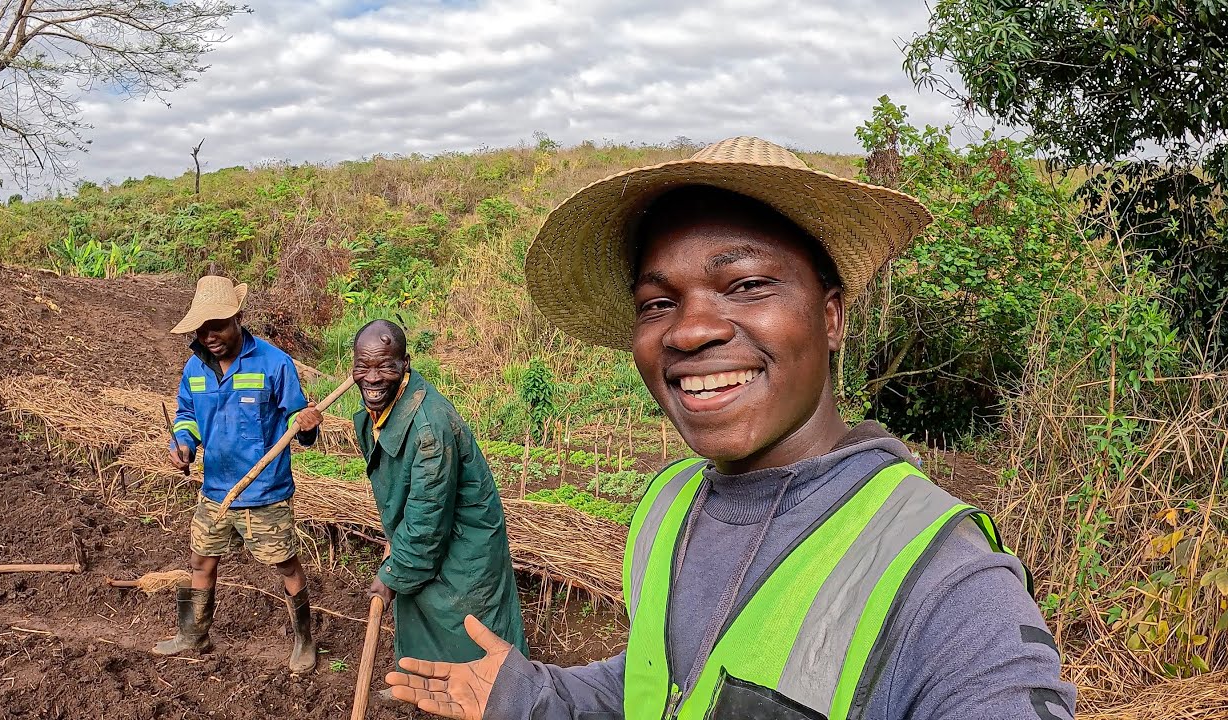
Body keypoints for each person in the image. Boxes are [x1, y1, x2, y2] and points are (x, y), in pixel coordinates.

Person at [385, 138, 1077, 719]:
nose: (690, 330)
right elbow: (666, 684)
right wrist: (531, 695)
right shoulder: (667, 505)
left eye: (747, 285)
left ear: (830, 317)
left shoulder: (947, 585)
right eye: (658, 301)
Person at [153, 275, 324, 674]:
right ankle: (195, 634)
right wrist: (183, 444)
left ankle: (304, 640)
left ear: (239, 318)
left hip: (264, 492)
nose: (209, 336)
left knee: (285, 565)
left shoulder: (274, 363)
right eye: (202, 328)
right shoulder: (194, 369)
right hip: (215, 490)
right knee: (201, 561)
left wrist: (309, 422)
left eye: (218, 326)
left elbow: (300, 423)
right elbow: (187, 416)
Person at [352, 319, 529, 680]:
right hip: (428, 532)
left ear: (405, 364)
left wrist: (389, 577)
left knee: (470, 624)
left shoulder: (429, 430)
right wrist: (397, 554)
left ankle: (504, 696)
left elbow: (427, 525)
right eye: (363, 366)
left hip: (465, 540)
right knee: (421, 609)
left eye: (385, 366)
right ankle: (426, 685)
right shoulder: (383, 410)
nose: (372, 378)